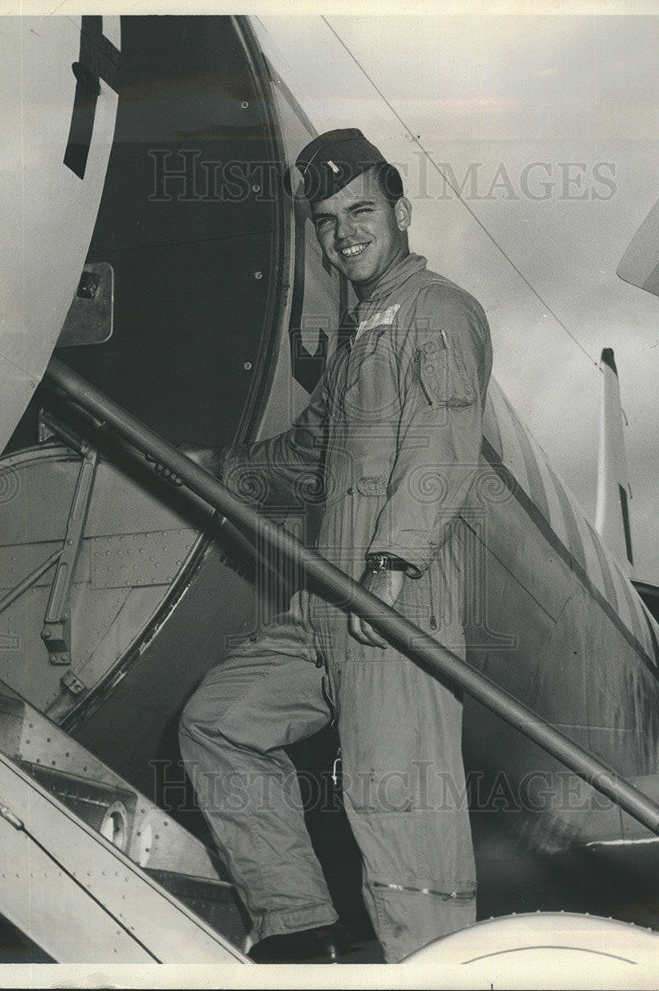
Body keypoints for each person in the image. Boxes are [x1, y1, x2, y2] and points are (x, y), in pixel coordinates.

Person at [178, 128, 493, 963]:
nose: (342, 231)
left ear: (399, 211)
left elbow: (441, 443)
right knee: (219, 721)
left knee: (399, 813)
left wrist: (390, 567)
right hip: (327, 599)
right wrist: (213, 467)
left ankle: (435, 968)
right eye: (325, 219)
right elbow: (303, 460)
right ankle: (298, 927)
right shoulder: (361, 339)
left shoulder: (438, 312)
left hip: (396, 594)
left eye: (359, 210)